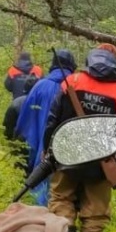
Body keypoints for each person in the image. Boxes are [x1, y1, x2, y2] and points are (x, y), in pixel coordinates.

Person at [43, 43, 116, 232]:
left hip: (67, 154)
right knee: (96, 210)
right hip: (101, 161)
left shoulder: (72, 81)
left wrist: (47, 150)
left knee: (61, 198)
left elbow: (52, 120)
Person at [15, 49, 77, 206]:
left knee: (40, 186)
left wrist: (23, 145)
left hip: (40, 149)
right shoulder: (74, 86)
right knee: (63, 195)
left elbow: (25, 120)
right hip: (68, 153)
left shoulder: (40, 86)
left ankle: (40, 221)